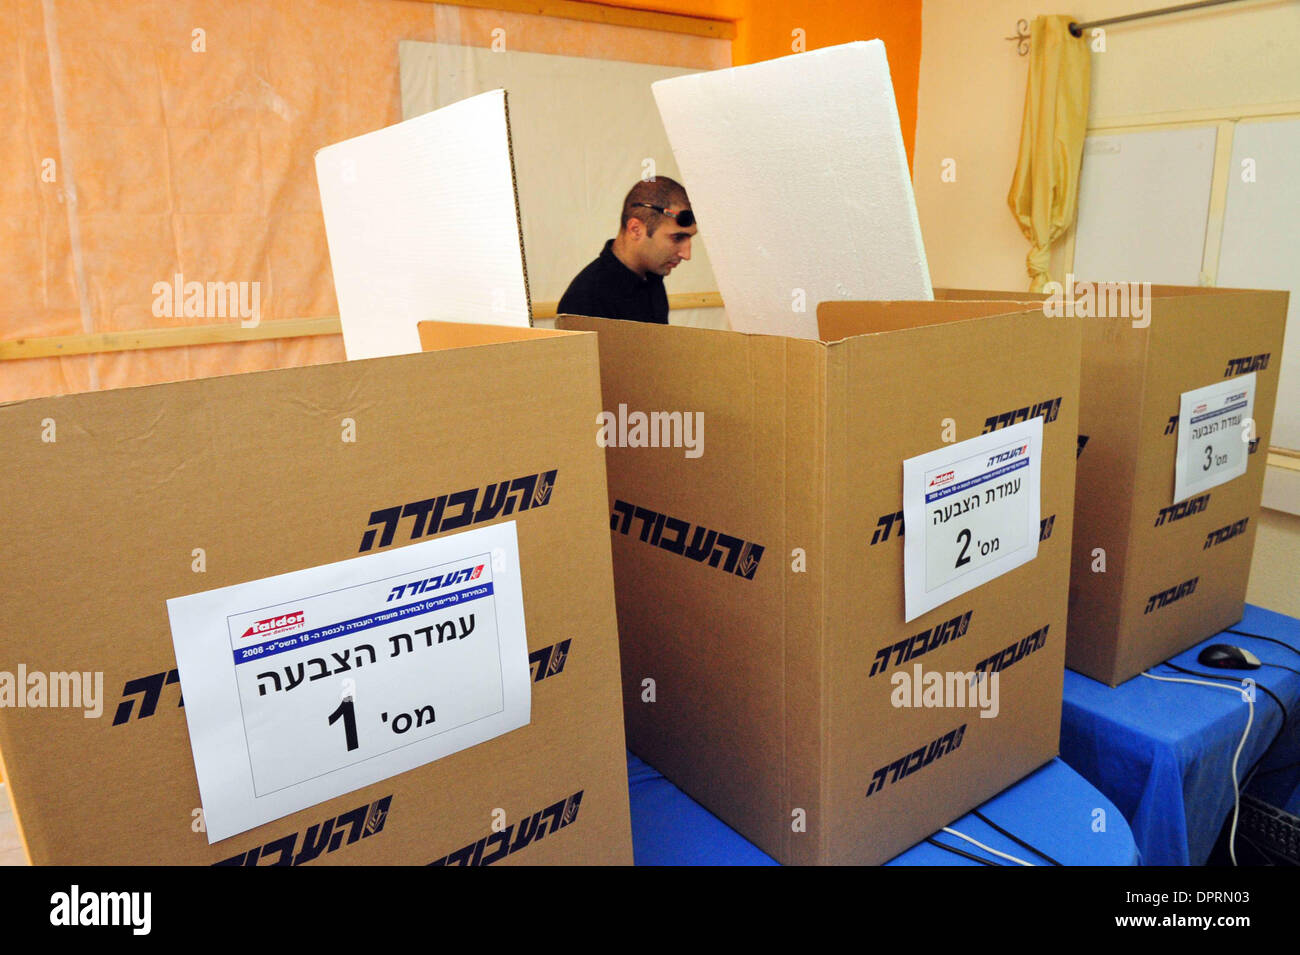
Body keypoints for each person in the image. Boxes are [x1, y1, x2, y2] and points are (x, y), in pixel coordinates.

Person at [556, 177, 696, 324]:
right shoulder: (584, 301)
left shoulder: (652, 280)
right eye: (678, 238)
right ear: (635, 230)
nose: (687, 254)